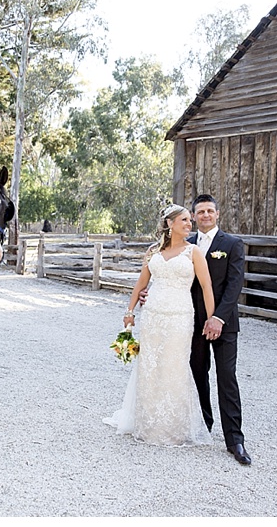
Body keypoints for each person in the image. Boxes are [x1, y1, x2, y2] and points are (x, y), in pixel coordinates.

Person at [104, 204, 215, 446]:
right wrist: (129, 311)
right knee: (150, 366)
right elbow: (141, 283)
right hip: (152, 316)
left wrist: (210, 318)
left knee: (174, 366)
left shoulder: (193, 252)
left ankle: (174, 429)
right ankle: (148, 424)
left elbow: (207, 287)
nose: (190, 224)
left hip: (180, 315)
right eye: (184, 220)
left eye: (190, 220)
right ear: (169, 223)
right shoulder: (153, 251)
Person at [189, 194, 250, 465]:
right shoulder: (187, 244)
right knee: (197, 374)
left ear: (217, 213)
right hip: (192, 323)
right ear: (192, 216)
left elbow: (234, 286)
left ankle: (235, 440)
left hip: (223, 324)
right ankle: (203, 427)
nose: (205, 215)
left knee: (227, 378)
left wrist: (218, 318)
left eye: (209, 211)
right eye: (200, 211)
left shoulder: (232, 244)